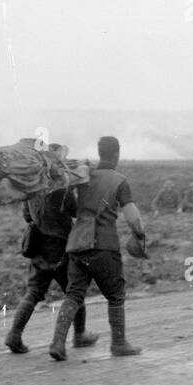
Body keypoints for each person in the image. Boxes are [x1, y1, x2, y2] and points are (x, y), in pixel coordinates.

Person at [49, 136, 146, 360]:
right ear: (116, 154)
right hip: (104, 245)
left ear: (100, 152)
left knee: (73, 294)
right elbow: (132, 217)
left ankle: (57, 342)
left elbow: (70, 204)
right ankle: (119, 343)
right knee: (115, 295)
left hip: (77, 244)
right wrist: (139, 234)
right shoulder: (119, 180)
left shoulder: (85, 174)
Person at [4, 186, 99, 354]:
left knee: (33, 292)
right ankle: (79, 335)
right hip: (62, 248)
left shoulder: (31, 186)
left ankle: (14, 335)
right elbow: (77, 211)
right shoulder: (63, 188)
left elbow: (27, 216)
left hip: (38, 246)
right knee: (75, 291)